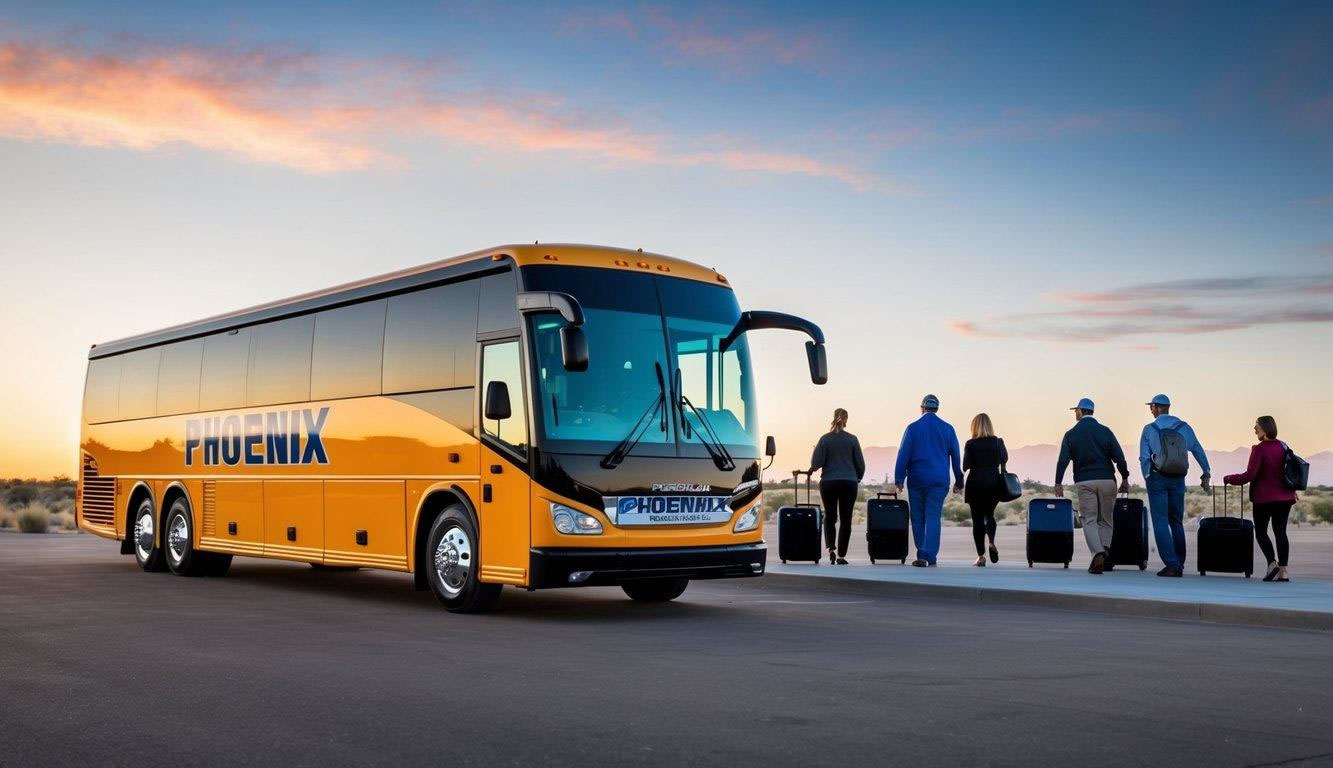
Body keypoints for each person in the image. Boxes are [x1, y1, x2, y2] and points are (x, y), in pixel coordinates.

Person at [1054, 397, 1131, 574]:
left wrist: (1058, 482)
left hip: (1085, 481)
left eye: (1076, 411)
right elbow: (1119, 458)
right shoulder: (1106, 431)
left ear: (1081, 411)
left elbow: (1063, 460)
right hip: (1107, 481)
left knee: (1089, 519)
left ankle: (1097, 554)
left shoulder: (1071, 434)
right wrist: (1125, 478)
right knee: (1106, 519)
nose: (1075, 413)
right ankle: (1104, 553)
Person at [1139, 394, 1211, 577]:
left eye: (1152, 407)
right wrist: (1206, 472)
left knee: (1160, 522)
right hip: (1178, 478)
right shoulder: (1184, 427)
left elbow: (1145, 457)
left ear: (1156, 407)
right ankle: (1179, 561)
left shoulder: (1149, 429)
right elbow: (1197, 450)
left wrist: (1148, 477)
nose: (1151, 409)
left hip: (1158, 478)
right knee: (1176, 521)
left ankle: (1171, 564)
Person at [1223, 416, 1297, 582]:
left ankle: (1272, 564)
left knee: (1261, 532)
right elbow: (1290, 471)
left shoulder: (1259, 449)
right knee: (1281, 533)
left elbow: (1250, 475)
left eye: (1256, 426)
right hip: (1285, 498)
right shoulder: (1283, 446)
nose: (1254, 429)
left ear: (1264, 428)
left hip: (1264, 499)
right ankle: (1283, 571)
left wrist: (1228, 478)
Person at [894, 394, 964, 567]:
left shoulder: (913, 428)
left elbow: (903, 454)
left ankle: (921, 552)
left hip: (917, 479)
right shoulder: (948, 429)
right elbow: (956, 457)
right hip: (939, 480)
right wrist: (959, 480)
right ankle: (929, 555)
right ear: (937, 409)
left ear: (922, 408)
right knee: (933, 516)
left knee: (918, 517)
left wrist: (899, 478)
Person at [809, 408, 866, 565]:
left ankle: (831, 549)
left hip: (829, 483)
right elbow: (861, 464)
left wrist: (815, 451)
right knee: (846, 519)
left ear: (833, 418)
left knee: (830, 516)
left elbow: (815, 464)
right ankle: (841, 555)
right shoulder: (853, 439)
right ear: (846, 420)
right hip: (849, 483)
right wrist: (857, 477)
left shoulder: (825, 439)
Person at [962, 413, 1007, 567]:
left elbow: (965, 466)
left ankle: (981, 557)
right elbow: (1004, 459)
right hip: (993, 483)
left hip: (975, 484)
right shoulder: (997, 442)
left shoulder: (971, 444)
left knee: (977, 521)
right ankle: (992, 542)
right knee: (990, 515)